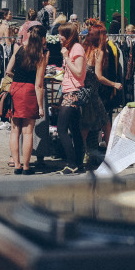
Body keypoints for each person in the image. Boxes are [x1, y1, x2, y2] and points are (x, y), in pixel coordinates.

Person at [5, 24, 49, 174]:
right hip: (29, 91)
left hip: (15, 88)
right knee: (28, 131)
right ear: (42, 38)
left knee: (14, 129)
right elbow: (39, 85)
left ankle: (16, 165)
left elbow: (8, 70)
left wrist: (17, 78)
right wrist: (41, 107)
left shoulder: (19, 49)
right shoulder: (40, 56)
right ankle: (26, 166)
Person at [81, 26, 119, 164]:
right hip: (93, 94)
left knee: (87, 125)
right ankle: (110, 156)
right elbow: (99, 76)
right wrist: (114, 84)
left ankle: (81, 153)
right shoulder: (99, 52)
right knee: (105, 124)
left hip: (83, 91)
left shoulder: (84, 49)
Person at [57, 22, 87, 174]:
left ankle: (72, 162)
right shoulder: (71, 48)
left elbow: (80, 72)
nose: (59, 37)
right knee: (74, 129)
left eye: (61, 34)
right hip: (68, 90)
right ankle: (78, 163)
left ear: (68, 35)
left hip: (73, 93)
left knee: (62, 129)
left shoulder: (76, 49)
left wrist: (66, 58)